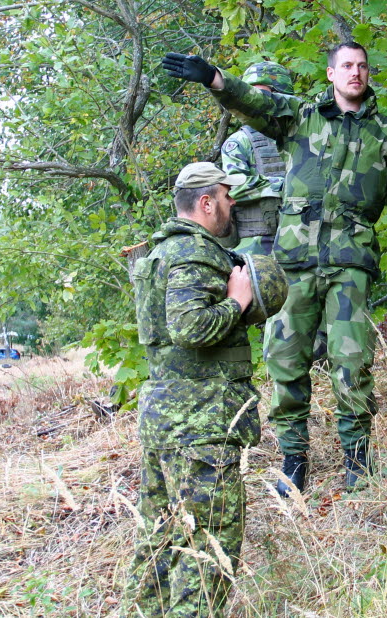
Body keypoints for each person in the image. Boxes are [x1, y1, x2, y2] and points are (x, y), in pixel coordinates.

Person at [162, 42, 387, 493]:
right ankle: (294, 459)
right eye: (346, 66)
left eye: (362, 66)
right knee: (284, 361)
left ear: (367, 73)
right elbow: (254, 101)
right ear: (330, 74)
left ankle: (357, 460)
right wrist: (215, 79)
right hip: (294, 263)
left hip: (350, 260)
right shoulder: (301, 118)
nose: (355, 73)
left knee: (351, 361)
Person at [125, 162, 260, 618]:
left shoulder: (157, 253)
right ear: (206, 202)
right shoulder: (193, 252)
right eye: (226, 195)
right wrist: (238, 301)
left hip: (164, 420)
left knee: (158, 543)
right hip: (201, 424)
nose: (232, 203)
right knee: (207, 554)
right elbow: (190, 327)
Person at [220, 61, 295, 256]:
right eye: (249, 93)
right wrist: (285, 186)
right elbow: (235, 188)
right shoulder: (239, 142)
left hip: (301, 240)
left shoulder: (303, 134)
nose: (253, 99)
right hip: (257, 244)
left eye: (262, 94)